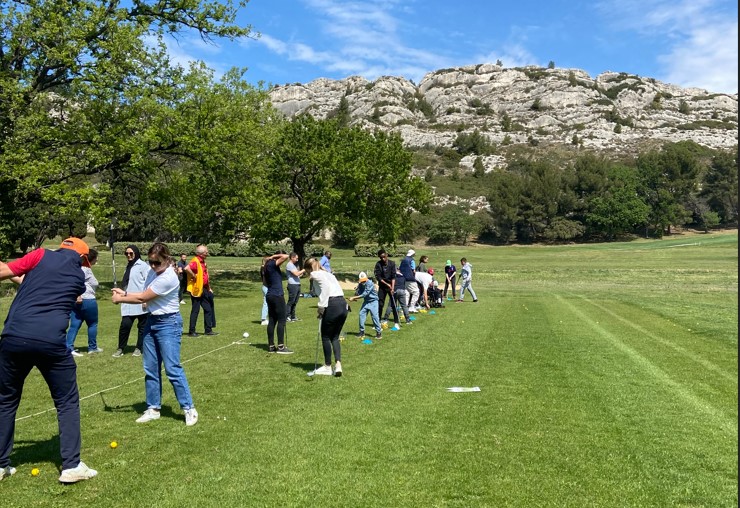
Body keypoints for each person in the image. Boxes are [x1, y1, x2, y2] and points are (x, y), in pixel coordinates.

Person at [0, 237, 97, 483]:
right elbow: (37, 284)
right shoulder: (78, 278)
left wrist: (15, 269)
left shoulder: (39, 256)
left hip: (13, 337)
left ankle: (1, 464)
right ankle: (71, 466)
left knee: (5, 400)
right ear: (82, 259)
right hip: (50, 342)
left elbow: (15, 276)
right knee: (66, 401)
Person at [112, 243, 198, 426]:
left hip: (169, 323)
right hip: (152, 322)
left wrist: (121, 299)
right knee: (150, 368)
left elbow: (143, 298)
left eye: (156, 263)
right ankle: (153, 408)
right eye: (150, 262)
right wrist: (125, 292)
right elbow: (145, 294)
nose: (152, 266)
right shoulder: (153, 272)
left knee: (172, 368)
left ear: (166, 259)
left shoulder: (168, 277)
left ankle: (189, 408)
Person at [304, 257, 347, 376]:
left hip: (332, 304)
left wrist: (321, 308)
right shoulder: (329, 274)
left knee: (326, 336)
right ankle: (338, 365)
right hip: (343, 304)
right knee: (335, 337)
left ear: (309, 268)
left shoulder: (315, 274)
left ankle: (327, 367)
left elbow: (325, 290)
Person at [113, 245, 150, 357]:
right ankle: (121, 348)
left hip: (140, 300)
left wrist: (146, 299)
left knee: (142, 327)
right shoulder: (128, 266)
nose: (128, 255)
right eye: (126, 254)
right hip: (128, 300)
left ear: (136, 253)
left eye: (131, 253)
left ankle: (139, 347)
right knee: (125, 325)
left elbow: (148, 283)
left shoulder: (143, 266)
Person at [66, 248, 102, 356]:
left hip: (76, 302)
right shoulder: (85, 269)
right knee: (92, 324)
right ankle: (92, 347)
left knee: (74, 324)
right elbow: (76, 282)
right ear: (92, 258)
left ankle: (69, 347)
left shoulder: (77, 268)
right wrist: (78, 295)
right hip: (88, 300)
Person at [185, 244, 217, 337]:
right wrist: (193, 275)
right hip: (196, 289)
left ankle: (208, 329)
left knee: (208, 309)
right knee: (195, 310)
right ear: (202, 253)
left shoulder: (203, 261)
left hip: (204, 288)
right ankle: (192, 331)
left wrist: (209, 287)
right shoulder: (195, 261)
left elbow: (205, 275)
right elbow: (186, 268)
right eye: (206, 252)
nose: (207, 253)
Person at [263, 252, 292, 354]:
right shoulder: (271, 264)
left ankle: (271, 346)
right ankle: (281, 347)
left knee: (272, 320)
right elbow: (286, 256)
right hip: (277, 296)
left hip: (270, 295)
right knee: (281, 320)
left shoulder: (265, 267)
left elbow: (266, 283)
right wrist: (273, 257)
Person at [348, 271, 382, 341]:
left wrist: (354, 298)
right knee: (361, 314)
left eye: (363, 281)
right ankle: (362, 332)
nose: (362, 282)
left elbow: (364, 294)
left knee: (375, 317)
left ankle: (378, 333)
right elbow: (359, 292)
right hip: (366, 302)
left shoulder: (370, 283)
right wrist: (356, 295)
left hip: (374, 302)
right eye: (361, 281)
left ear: (366, 278)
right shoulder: (360, 283)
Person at [374, 249, 400, 331]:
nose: (383, 259)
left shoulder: (392, 263)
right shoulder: (378, 264)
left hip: (391, 286)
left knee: (393, 304)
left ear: (386, 255)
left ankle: (396, 322)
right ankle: (377, 323)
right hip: (382, 286)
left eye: (384, 257)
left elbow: (393, 276)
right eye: (381, 257)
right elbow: (378, 277)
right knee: (380, 304)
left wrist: (392, 287)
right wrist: (386, 284)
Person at [285, 252, 305, 322]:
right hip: (292, 285)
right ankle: (287, 316)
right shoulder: (289, 265)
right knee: (291, 301)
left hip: (297, 284)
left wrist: (302, 273)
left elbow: (298, 275)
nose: (297, 260)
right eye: (296, 258)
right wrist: (304, 269)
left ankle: (293, 316)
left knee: (295, 302)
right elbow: (296, 274)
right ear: (292, 257)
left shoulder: (293, 265)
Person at [259, 255, 269, 326]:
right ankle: (263, 319)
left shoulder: (262, 268)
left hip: (264, 286)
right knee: (266, 303)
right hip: (266, 286)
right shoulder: (264, 269)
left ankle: (264, 318)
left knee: (266, 302)